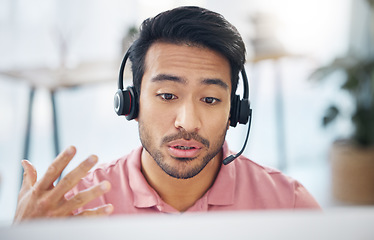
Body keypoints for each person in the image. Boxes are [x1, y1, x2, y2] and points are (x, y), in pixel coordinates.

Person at [13, 6, 320, 223]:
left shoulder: (288, 203)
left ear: (235, 112)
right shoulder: (73, 209)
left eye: (211, 99)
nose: (187, 122)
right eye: (167, 95)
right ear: (131, 103)